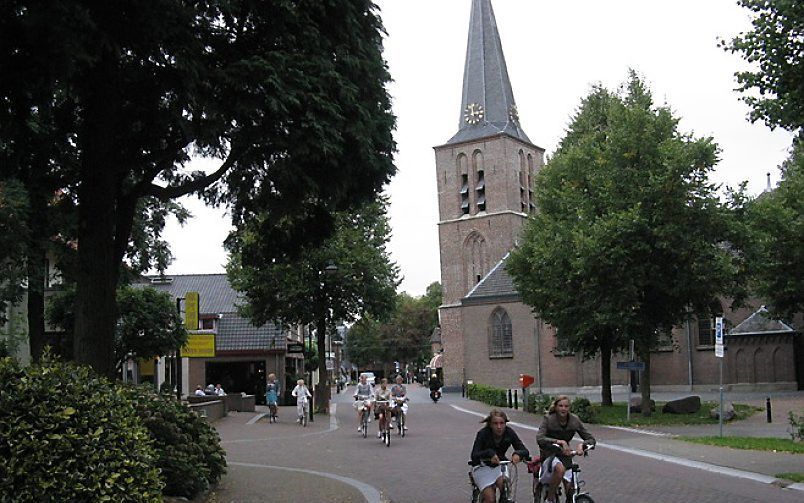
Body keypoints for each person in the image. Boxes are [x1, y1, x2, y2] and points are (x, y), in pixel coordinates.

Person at [536, 395, 596, 503]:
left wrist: (582, 445)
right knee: (560, 470)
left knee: (570, 487)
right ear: (556, 407)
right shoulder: (548, 419)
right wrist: (559, 442)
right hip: (550, 453)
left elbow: (590, 438)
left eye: (566, 406)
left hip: (565, 455)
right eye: (560, 406)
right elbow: (540, 438)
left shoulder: (574, 420)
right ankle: (550, 499)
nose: (563, 409)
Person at [470, 409, 529, 503]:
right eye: (495, 423)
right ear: (490, 424)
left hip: (500, 466)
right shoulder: (483, 433)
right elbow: (474, 455)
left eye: (502, 423)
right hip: (482, 467)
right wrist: (490, 454)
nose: (499, 427)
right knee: (490, 499)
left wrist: (518, 454)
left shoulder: (509, 432)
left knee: (505, 485)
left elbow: (524, 450)